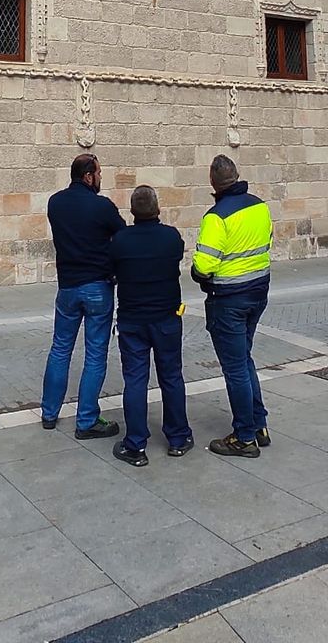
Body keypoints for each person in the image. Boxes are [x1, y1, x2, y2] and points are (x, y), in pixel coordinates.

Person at [41, 154, 126, 439]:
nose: (101, 178)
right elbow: (123, 236)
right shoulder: (101, 206)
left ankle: (49, 412)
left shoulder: (55, 202)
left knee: (60, 349)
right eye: (99, 173)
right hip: (97, 287)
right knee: (95, 354)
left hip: (67, 286)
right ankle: (86, 419)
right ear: (89, 176)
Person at [194, 154, 273, 457]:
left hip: (228, 300)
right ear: (237, 176)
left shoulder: (216, 216)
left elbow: (204, 266)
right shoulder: (260, 206)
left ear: (213, 184)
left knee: (235, 367)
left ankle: (244, 437)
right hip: (258, 293)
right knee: (245, 359)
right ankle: (259, 424)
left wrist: (197, 271)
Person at [108, 185, 192, 466]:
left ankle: (135, 445)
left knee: (135, 380)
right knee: (171, 376)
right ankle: (178, 438)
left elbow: (112, 270)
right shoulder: (171, 238)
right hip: (167, 317)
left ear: (132, 211)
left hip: (133, 319)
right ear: (157, 209)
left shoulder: (120, 240)